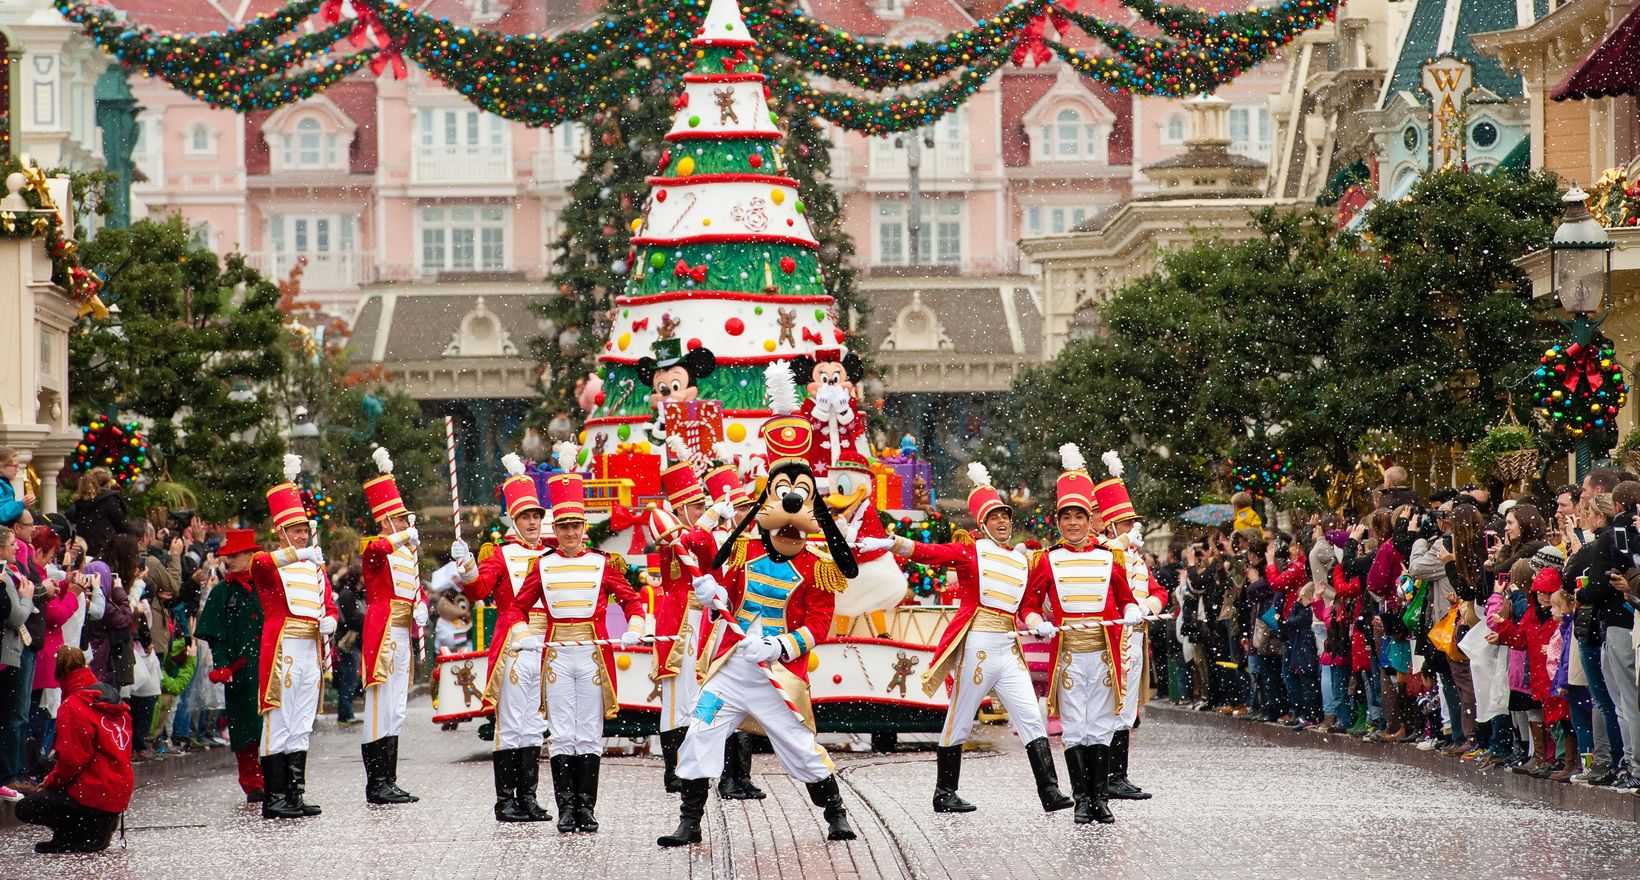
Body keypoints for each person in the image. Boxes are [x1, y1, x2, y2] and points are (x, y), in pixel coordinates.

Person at [658, 412, 858, 847]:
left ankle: (836, 813)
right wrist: (714, 593)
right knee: (700, 735)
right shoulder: (742, 551)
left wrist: (781, 645)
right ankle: (689, 822)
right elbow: (704, 564)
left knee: (799, 748)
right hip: (731, 670)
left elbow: (819, 623)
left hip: (778, 677)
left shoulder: (818, 567)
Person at [865, 461, 1072, 814]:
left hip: (1009, 649)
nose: (1003, 522)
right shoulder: (969, 550)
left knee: (1029, 717)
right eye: (994, 517)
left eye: (1005, 515)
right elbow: (931, 553)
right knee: (959, 718)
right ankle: (944, 792)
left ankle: (1049, 792)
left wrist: (1038, 621)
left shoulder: (1023, 562)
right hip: (977, 645)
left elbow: (1025, 607)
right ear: (983, 523)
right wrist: (891, 543)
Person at [509, 451, 646, 834]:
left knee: (589, 732)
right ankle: (566, 809)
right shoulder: (544, 565)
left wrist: (635, 622)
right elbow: (516, 609)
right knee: (561, 733)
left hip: (592, 654)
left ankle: (586, 808)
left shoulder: (603, 564)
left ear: (584, 527)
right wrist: (522, 636)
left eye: (575, 526)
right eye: (564, 526)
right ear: (558, 529)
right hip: (555, 657)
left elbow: (632, 599)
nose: (569, 533)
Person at [1020, 443, 1140, 826]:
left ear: (1090, 520)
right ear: (1058, 522)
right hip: (1068, 653)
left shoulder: (1110, 558)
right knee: (1074, 725)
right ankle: (1082, 799)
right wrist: (1036, 622)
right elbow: (1028, 604)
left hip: (1103, 653)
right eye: (1066, 517)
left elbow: (1126, 598)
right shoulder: (1048, 559)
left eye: (1079, 517)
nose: (1073, 524)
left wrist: (1134, 612)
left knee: (1101, 724)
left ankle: (1101, 798)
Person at [465, 453, 552, 823]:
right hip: (514, 648)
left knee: (534, 723)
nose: (532, 522)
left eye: (536, 516)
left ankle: (528, 798)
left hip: (545, 646)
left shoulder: (552, 555)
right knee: (511, 723)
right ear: (514, 521)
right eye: (525, 517)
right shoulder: (500, 556)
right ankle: (506, 801)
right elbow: (479, 590)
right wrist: (467, 567)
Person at [251, 458, 339, 820]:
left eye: (305, 530)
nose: (303, 535)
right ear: (282, 532)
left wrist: (330, 621)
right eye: (296, 530)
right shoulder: (273, 562)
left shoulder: (316, 568)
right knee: (279, 720)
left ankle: (295, 792)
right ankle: (274, 797)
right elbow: (259, 565)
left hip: (310, 650)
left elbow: (328, 604)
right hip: (284, 649)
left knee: (302, 721)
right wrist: (294, 554)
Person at [354, 448, 436, 805]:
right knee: (378, 707)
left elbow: (413, 590)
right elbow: (375, 552)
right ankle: (376, 783)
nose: (407, 524)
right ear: (387, 521)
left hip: (403, 633)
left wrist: (421, 607)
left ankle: (389, 778)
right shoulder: (377, 548)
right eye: (401, 519)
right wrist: (401, 538)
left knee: (397, 708)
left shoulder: (407, 554)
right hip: (383, 634)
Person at [646, 461, 729, 798]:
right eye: (696, 505)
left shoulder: (701, 532)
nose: (702, 510)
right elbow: (688, 544)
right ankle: (675, 769)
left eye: (703, 505)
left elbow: (712, 556)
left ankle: (697, 763)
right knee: (677, 701)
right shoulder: (667, 525)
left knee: (704, 697)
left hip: (705, 621)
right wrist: (709, 521)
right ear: (680, 506)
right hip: (680, 623)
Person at [11, 646, 132, 853]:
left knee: (26, 807)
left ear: (60, 675)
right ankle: (98, 830)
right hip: (115, 797)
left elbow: (72, 760)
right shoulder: (111, 700)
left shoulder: (73, 705)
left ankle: (74, 835)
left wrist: (48, 784)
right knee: (52, 771)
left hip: (93, 796)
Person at [194, 528, 266, 802]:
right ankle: (252, 782)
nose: (229, 561)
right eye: (227, 556)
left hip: (269, 668)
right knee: (244, 727)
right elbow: (216, 636)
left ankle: (276, 778)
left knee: (271, 727)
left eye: (235, 555)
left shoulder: (269, 586)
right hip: (241, 672)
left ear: (251, 555)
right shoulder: (222, 593)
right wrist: (222, 665)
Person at [1, 525, 37, 801]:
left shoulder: (11, 572)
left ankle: (13, 772)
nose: (16, 548)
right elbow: (15, 615)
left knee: (14, 715)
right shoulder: (5, 575)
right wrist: (27, 599)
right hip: (7, 653)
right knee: (11, 716)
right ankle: (9, 773)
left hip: (13, 651)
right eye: (12, 543)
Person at [64, 469, 128, 559]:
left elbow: (70, 516)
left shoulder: (81, 501)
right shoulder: (110, 500)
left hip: (84, 551)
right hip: (106, 551)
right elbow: (122, 525)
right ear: (108, 483)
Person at [0, 448, 36, 526]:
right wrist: (21, 504)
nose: (17, 469)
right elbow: (1, 514)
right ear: (1, 467)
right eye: (15, 466)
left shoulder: (4, 483)